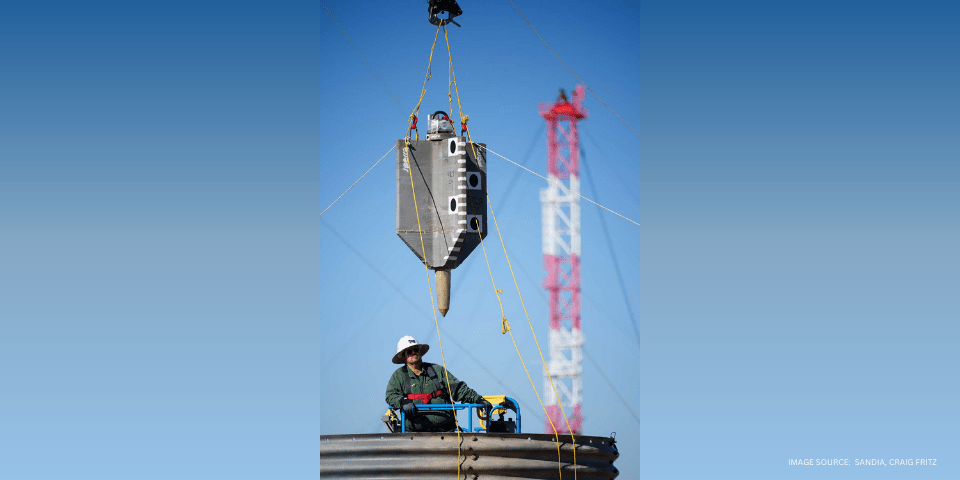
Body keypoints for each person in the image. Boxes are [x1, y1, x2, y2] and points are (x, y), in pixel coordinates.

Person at [385, 335, 491, 432]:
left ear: (420, 351)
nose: (413, 352)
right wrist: (403, 401)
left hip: (446, 431)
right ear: (403, 356)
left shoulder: (437, 371)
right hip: (414, 434)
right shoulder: (399, 376)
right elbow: (390, 395)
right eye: (409, 351)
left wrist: (478, 399)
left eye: (416, 349)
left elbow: (458, 389)